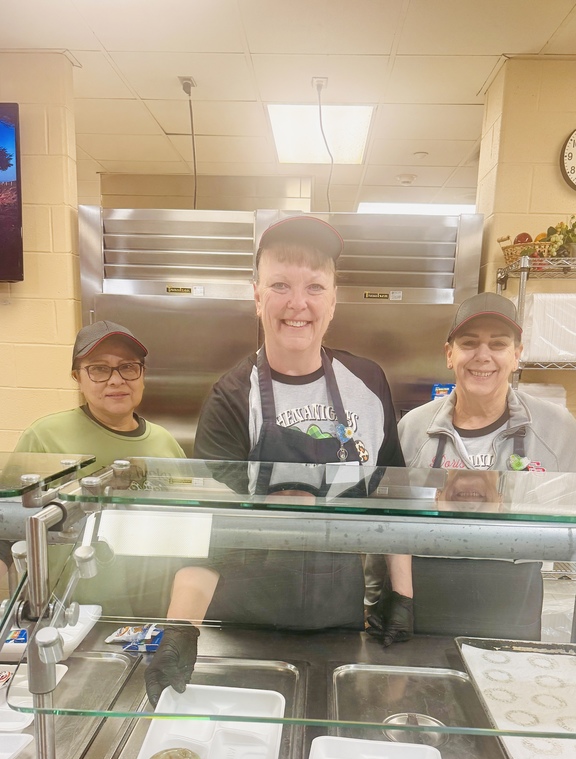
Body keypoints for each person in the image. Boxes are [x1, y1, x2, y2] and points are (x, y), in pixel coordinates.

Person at [144, 215, 413, 705]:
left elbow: (390, 495)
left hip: (340, 615)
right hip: (248, 622)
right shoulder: (230, 396)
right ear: (257, 297)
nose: (297, 303)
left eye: (314, 286)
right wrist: (180, 629)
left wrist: (401, 596)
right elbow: (210, 529)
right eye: (280, 285)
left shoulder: (369, 384)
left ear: (333, 299)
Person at [396, 291, 576, 639]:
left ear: (516, 355)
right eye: (469, 343)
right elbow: (384, 528)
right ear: (450, 354)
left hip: (512, 609)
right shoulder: (412, 430)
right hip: (426, 604)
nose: (483, 356)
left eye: (498, 344)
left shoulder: (559, 430)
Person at [14, 320, 185, 467]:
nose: (116, 381)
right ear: (78, 378)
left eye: (127, 367)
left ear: (143, 375)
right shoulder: (45, 439)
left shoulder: (164, 442)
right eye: (99, 369)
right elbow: (10, 504)